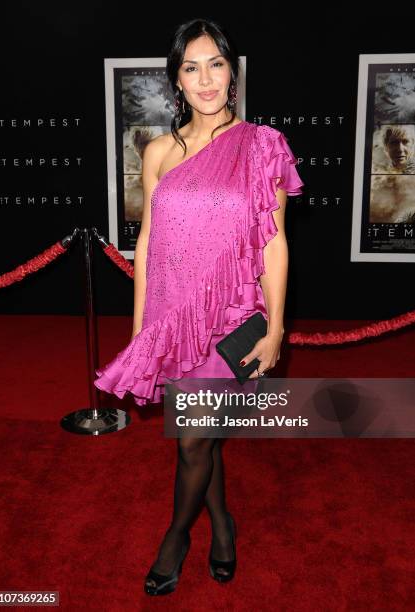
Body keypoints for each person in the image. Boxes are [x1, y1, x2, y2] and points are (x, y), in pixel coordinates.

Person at [94, 18, 304, 595]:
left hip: (232, 316)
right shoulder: (159, 150)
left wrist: (277, 327)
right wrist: (142, 332)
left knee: (192, 439)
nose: (206, 78)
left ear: (232, 72)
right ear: (177, 81)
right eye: (192, 67)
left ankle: (176, 536)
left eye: (216, 63)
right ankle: (225, 527)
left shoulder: (263, 145)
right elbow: (147, 242)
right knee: (200, 432)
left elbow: (275, 241)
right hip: (171, 315)